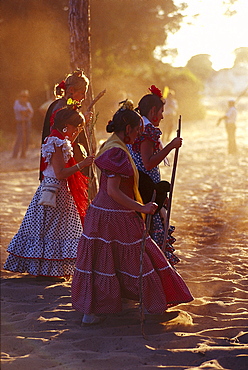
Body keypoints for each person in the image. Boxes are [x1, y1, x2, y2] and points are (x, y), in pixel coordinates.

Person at [71, 100, 193, 325]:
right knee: (139, 258)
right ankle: (152, 307)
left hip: (101, 214)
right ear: (128, 129)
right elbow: (113, 191)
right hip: (116, 215)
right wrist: (142, 208)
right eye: (137, 130)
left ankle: (94, 311)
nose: (138, 135)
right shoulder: (116, 151)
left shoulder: (111, 145)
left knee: (101, 262)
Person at [4, 106, 94, 280]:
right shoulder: (56, 141)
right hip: (54, 190)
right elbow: (60, 173)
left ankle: (51, 270)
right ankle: (47, 271)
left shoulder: (59, 139)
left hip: (57, 189)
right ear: (66, 125)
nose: (78, 131)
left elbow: (63, 165)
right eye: (76, 127)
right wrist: (82, 165)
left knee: (57, 230)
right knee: (54, 230)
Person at [128, 85, 182, 266]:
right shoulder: (147, 130)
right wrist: (171, 146)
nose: (163, 116)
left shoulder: (138, 126)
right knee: (149, 227)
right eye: (161, 111)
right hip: (145, 187)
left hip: (136, 184)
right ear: (153, 111)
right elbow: (148, 162)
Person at [39, 69, 97, 199]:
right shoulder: (61, 109)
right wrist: (82, 124)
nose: (84, 97)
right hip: (63, 167)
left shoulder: (65, 107)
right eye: (82, 93)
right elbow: (62, 140)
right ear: (71, 91)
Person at [12, 90, 34, 159]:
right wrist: (26, 111)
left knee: (26, 138)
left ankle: (23, 154)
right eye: (22, 96)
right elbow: (21, 111)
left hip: (27, 122)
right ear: (20, 97)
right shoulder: (17, 103)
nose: (24, 98)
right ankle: (15, 154)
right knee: (20, 138)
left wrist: (26, 112)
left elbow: (31, 112)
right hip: (20, 122)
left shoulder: (28, 104)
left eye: (25, 97)